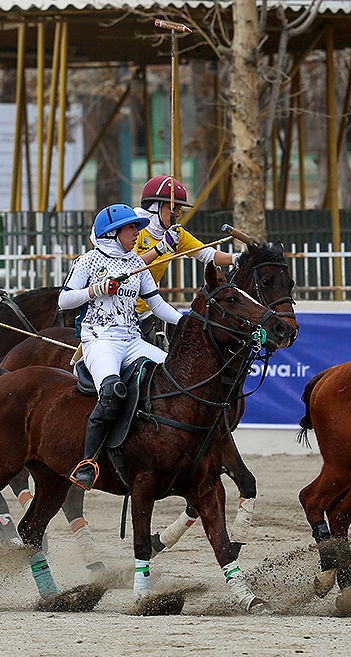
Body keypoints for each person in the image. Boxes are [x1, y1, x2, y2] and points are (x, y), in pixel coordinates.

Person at [58, 203, 185, 491]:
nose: (137, 233)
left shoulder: (137, 263)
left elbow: (157, 305)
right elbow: (64, 301)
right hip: (100, 341)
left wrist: (187, 321)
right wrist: (96, 289)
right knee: (112, 391)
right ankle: (88, 462)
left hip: (132, 341)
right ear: (112, 232)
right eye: (131, 228)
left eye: (137, 228)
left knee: (174, 376)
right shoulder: (88, 261)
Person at [132, 176, 240, 349]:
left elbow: (208, 254)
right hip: (120, 310)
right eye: (173, 208)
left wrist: (236, 259)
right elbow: (127, 267)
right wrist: (159, 249)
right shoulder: (133, 229)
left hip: (150, 309)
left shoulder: (176, 234)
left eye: (180, 209)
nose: (177, 214)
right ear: (154, 207)